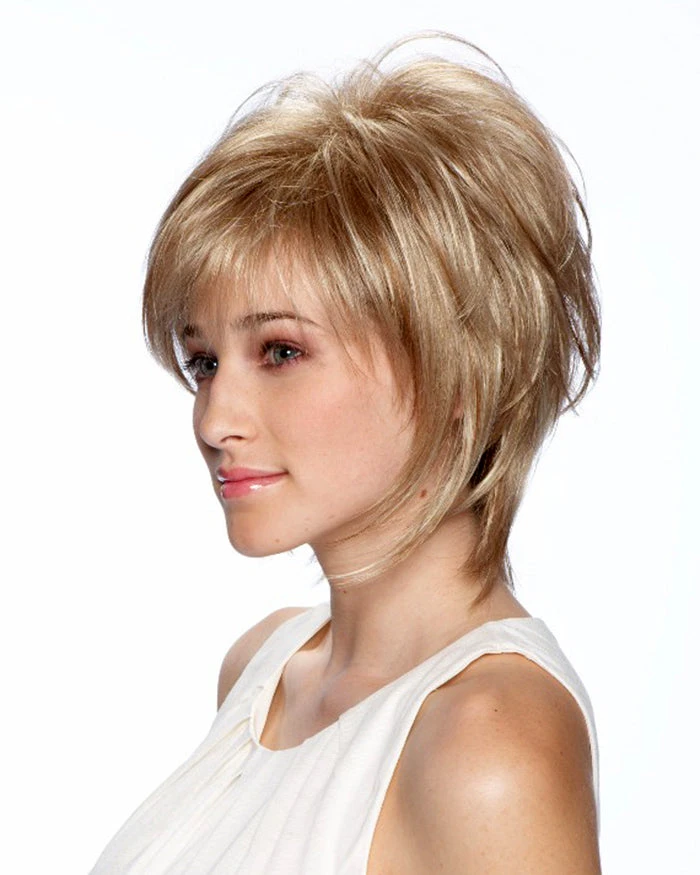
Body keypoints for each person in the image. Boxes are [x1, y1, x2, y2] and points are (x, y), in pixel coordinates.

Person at [90, 33, 602, 874]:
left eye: (281, 351)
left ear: (454, 365)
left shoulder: (488, 741)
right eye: (204, 361)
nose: (214, 418)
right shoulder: (261, 669)